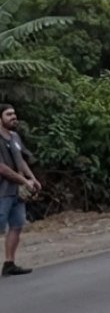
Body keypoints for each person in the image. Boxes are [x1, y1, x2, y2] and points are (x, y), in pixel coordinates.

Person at [0, 103, 40, 277]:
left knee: (16, 226)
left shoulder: (15, 137)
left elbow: (21, 161)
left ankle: (9, 263)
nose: (13, 117)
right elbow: (2, 168)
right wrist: (24, 181)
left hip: (16, 192)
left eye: (14, 114)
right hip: (2, 191)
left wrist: (32, 178)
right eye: (9, 114)